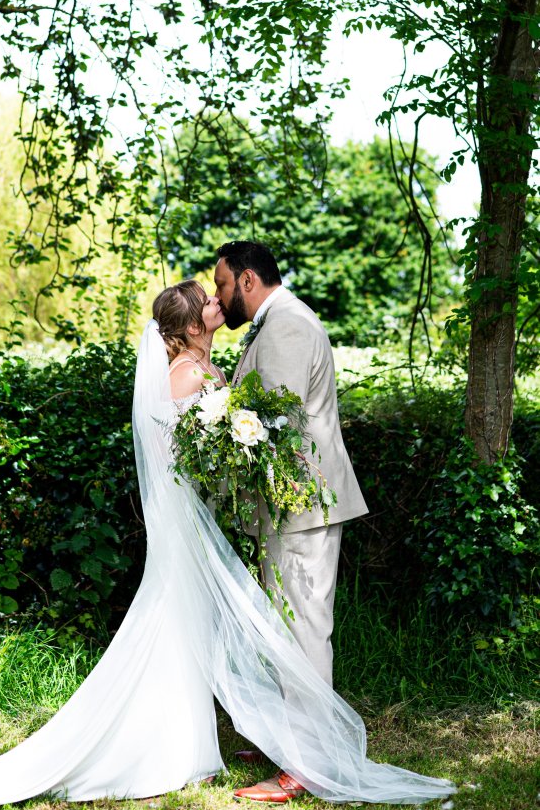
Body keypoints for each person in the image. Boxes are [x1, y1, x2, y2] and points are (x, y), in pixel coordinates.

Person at [0, 280, 455, 809]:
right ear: (191, 326)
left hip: (191, 517)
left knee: (188, 626)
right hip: (183, 523)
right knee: (179, 624)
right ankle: (174, 750)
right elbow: (193, 451)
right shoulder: (189, 376)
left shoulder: (201, 368)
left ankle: (192, 746)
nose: (216, 303)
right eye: (207, 301)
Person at [213, 240, 368, 801]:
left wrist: (213, 416)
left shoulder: (286, 325)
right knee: (287, 627)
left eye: (223, 284)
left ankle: (306, 766)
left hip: (303, 505)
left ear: (248, 280)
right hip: (290, 505)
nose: (219, 296)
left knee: (303, 631)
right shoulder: (276, 322)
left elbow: (273, 414)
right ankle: (292, 741)